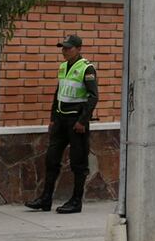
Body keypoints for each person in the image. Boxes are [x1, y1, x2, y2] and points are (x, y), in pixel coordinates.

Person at [25, 34, 99, 213]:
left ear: (78, 49)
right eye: (63, 48)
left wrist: (83, 121)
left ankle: (76, 201)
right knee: (51, 159)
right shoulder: (63, 67)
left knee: (78, 162)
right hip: (60, 120)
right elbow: (58, 93)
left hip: (76, 123)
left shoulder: (87, 68)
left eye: (68, 48)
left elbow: (93, 97)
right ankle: (46, 199)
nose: (64, 51)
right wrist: (52, 118)